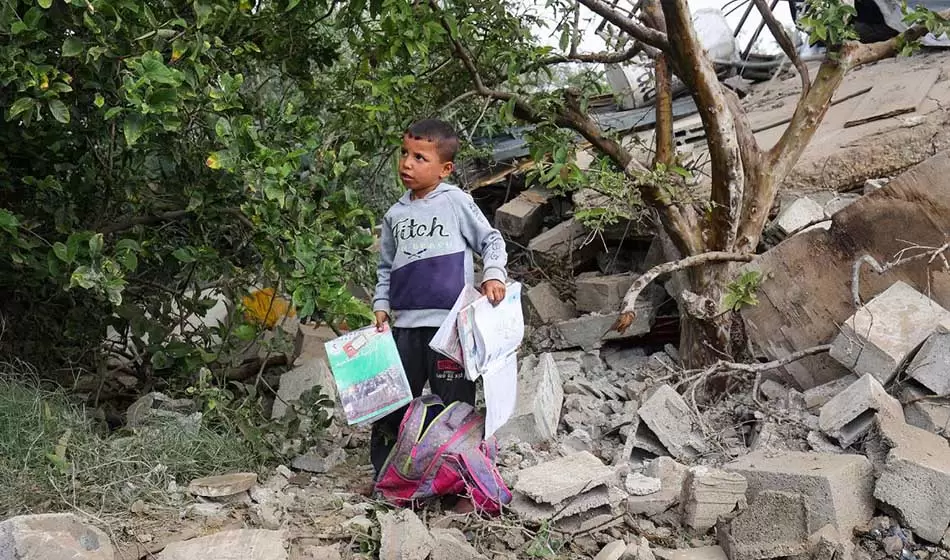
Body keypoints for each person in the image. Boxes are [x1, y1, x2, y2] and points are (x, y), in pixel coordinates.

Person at [370, 118, 508, 477]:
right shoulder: (395, 214)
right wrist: (381, 304)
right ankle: (384, 477)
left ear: (445, 169)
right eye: (404, 153)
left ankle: (459, 481)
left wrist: (494, 274)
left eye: (420, 158)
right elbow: (385, 267)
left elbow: (491, 240)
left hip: (452, 330)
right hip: (405, 330)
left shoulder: (456, 202)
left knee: (455, 408)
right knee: (391, 405)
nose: (407, 163)